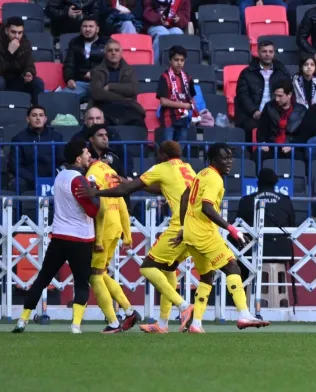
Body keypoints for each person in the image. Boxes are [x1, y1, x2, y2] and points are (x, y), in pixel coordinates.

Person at [76, 140, 195, 333]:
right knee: (169, 268)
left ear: (163, 155)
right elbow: (160, 187)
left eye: (157, 154)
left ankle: (183, 306)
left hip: (178, 226)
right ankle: (164, 324)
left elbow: (125, 191)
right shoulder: (187, 168)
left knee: (148, 267)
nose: (155, 157)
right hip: (198, 226)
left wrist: (97, 191)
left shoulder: (162, 166)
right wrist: (128, 182)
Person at [175, 143, 271, 333]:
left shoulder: (201, 174)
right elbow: (207, 208)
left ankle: (196, 323)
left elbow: (185, 197)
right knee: (232, 266)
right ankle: (244, 314)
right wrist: (231, 229)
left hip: (192, 233)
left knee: (207, 276)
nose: (228, 162)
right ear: (213, 160)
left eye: (230, 158)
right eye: (224, 158)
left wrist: (184, 226)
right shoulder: (214, 179)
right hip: (204, 233)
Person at [12, 140, 101, 334]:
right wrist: (97, 192)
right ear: (78, 157)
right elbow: (92, 210)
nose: (89, 156)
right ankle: (76, 325)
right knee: (80, 281)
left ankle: (22, 320)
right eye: (86, 153)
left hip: (60, 235)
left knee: (43, 277)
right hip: (80, 237)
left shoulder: (60, 176)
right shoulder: (79, 180)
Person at [84, 125, 141, 332]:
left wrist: (97, 240)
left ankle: (113, 321)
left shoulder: (92, 174)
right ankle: (128, 311)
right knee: (102, 272)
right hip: (115, 226)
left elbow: (98, 207)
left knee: (95, 276)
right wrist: (126, 232)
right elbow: (123, 201)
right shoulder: (110, 170)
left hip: (105, 228)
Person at [235, 40, 293, 142]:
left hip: (277, 114)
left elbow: (288, 94)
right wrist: (254, 111)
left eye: (271, 51)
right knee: (251, 128)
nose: (268, 54)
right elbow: (243, 96)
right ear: (258, 53)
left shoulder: (282, 72)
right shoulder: (247, 73)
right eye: (264, 51)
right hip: (253, 114)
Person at [156, 45, 198, 142]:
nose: (179, 63)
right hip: (168, 120)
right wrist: (184, 105)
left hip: (183, 120)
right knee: (169, 151)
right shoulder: (164, 77)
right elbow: (163, 101)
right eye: (176, 60)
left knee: (179, 151)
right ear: (170, 60)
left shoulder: (188, 77)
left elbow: (192, 97)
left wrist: (194, 113)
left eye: (182, 60)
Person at [61, 17, 108, 101]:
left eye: (91, 26)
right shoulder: (74, 42)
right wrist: (69, 78)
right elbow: (69, 63)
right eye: (85, 26)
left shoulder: (107, 43)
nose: (87, 29)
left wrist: (94, 73)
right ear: (81, 29)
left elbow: (112, 64)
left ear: (97, 29)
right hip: (80, 83)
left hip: (102, 83)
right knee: (62, 99)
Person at [0, 17, 45, 106]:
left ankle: (36, 112)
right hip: (3, 78)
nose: (17, 36)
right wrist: (9, 53)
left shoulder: (25, 43)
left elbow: (30, 63)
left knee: (37, 83)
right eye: (13, 32)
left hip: (18, 79)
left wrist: (29, 73)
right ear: (6, 31)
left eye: (20, 33)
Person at [257, 80, 306, 157]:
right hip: (272, 145)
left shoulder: (302, 110)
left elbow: (304, 135)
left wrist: (292, 145)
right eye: (275, 95)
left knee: (301, 158)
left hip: (292, 146)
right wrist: (263, 142)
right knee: (257, 155)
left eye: (280, 96)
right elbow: (262, 129)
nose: (276, 99)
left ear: (289, 95)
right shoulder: (269, 107)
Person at [143, 0, 191, 65]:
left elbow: (185, 14)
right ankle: (153, 65)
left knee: (178, 33)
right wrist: (159, 18)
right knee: (163, 33)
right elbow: (147, 12)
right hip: (154, 25)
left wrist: (179, 18)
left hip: (173, 26)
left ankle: (175, 68)